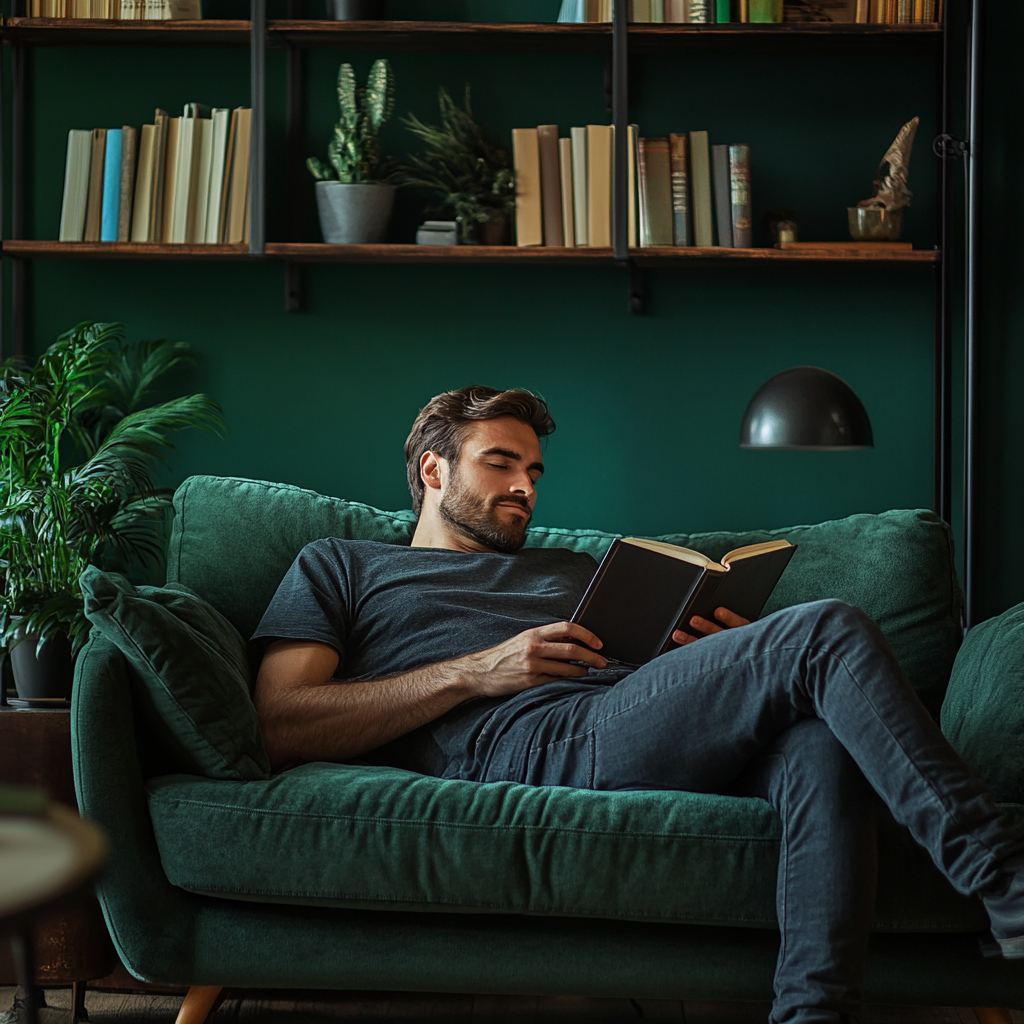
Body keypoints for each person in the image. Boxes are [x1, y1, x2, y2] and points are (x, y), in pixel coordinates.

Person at [253, 385, 1024, 1024]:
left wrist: (709, 653)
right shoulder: (344, 566)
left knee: (820, 741)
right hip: (535, 744)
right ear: (433, 469)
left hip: (634, 721)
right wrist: (478, 671)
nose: (526, 486)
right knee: (826, 626)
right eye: (501, 463)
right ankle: (1000, 874)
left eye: (535, 469)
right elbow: (282, 723)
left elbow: (642, 677)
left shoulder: (575, 567)